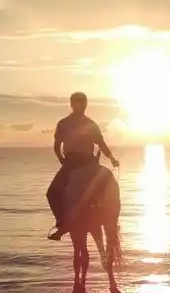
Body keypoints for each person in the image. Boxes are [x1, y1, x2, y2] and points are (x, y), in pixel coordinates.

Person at [46, 91, 119, 240]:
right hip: (89, 161)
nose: (80, 105)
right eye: (78, 102)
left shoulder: (64, 123)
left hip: (72, 163)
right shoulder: (90, 124)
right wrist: (111, 159)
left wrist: (62, 159)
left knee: (52, 192)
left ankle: (61, 223)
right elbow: (102, 144)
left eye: (80, 102)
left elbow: (56, 147)